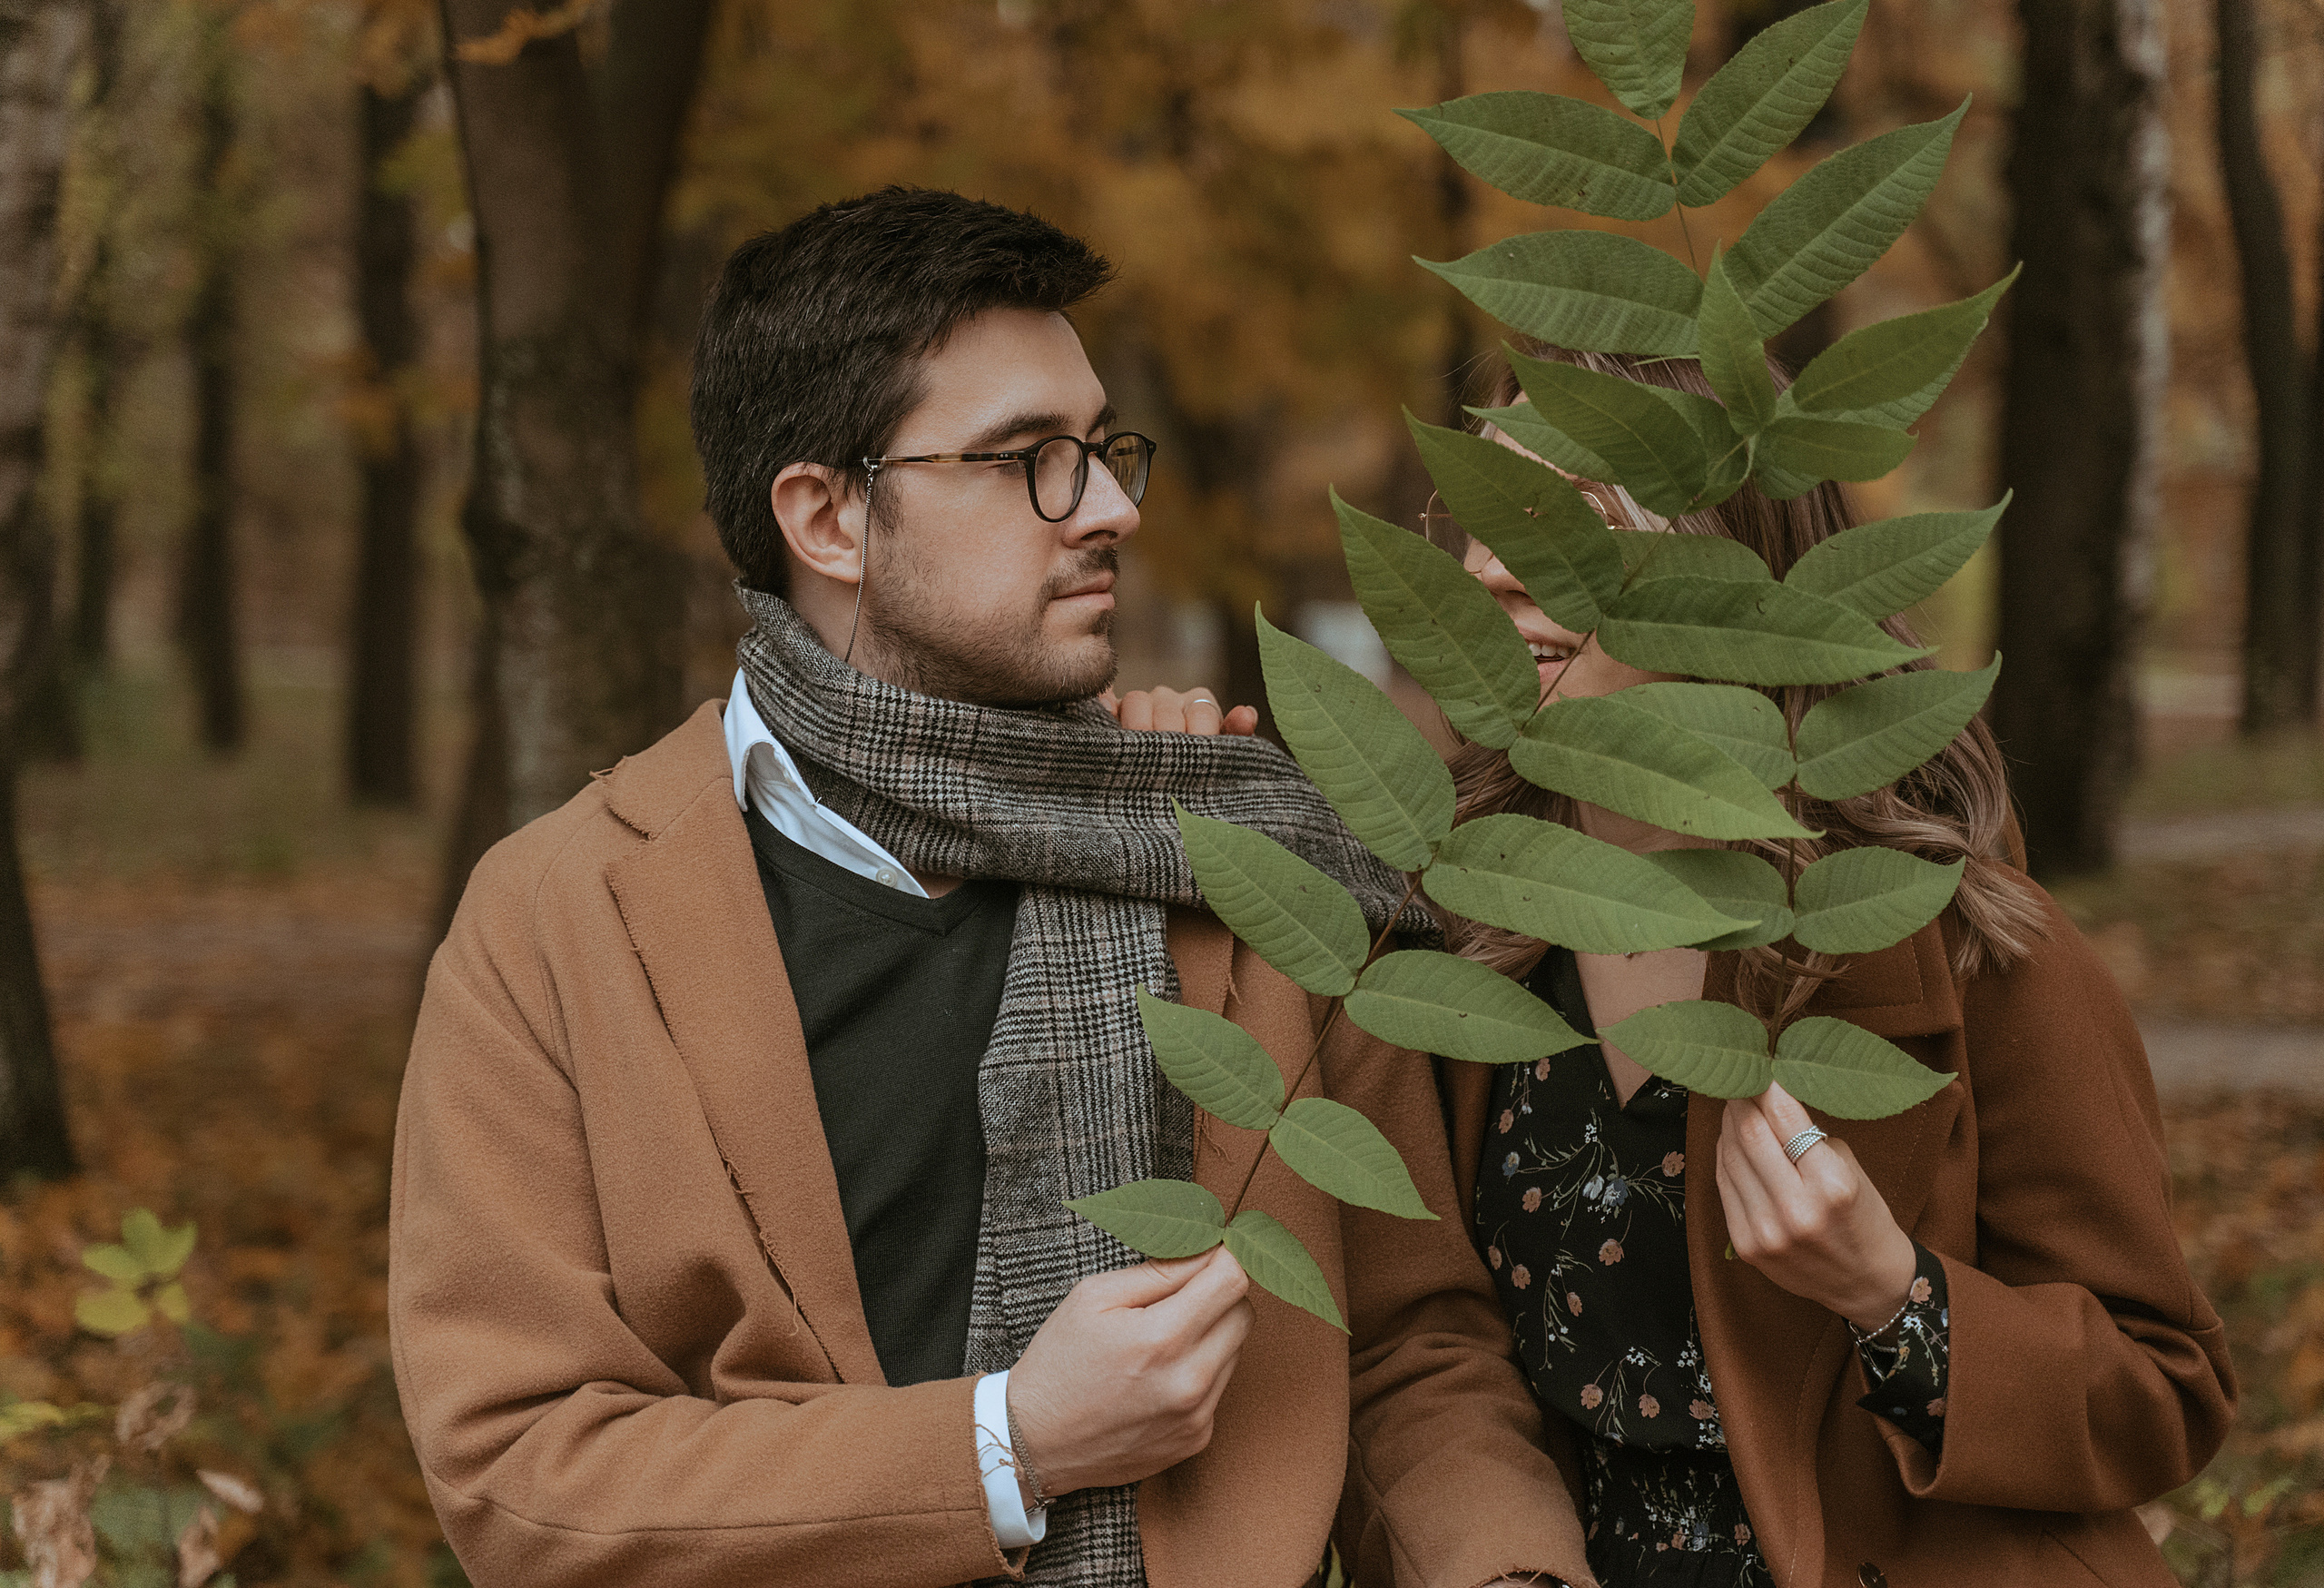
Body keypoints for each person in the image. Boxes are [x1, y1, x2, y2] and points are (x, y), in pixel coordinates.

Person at [389, 187, 1588, 1588]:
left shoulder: (1237, 856)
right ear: (826, 516)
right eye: (1031, 458)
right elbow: (524, 1473)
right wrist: (1010, 1442)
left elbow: (1406, 1356)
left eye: (1103, 447)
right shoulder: (557, 922)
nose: (1116, 506)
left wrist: (1509, 1574)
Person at [1344, 347, 2236, 1588]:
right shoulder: (1454, 927)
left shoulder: (1967, 940)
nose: (1492, 570)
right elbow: (1426, 1345)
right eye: (1483, 526)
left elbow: (2167, 1388)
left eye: (1569, 529)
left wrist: (1893, 1294)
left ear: (1728, 574)